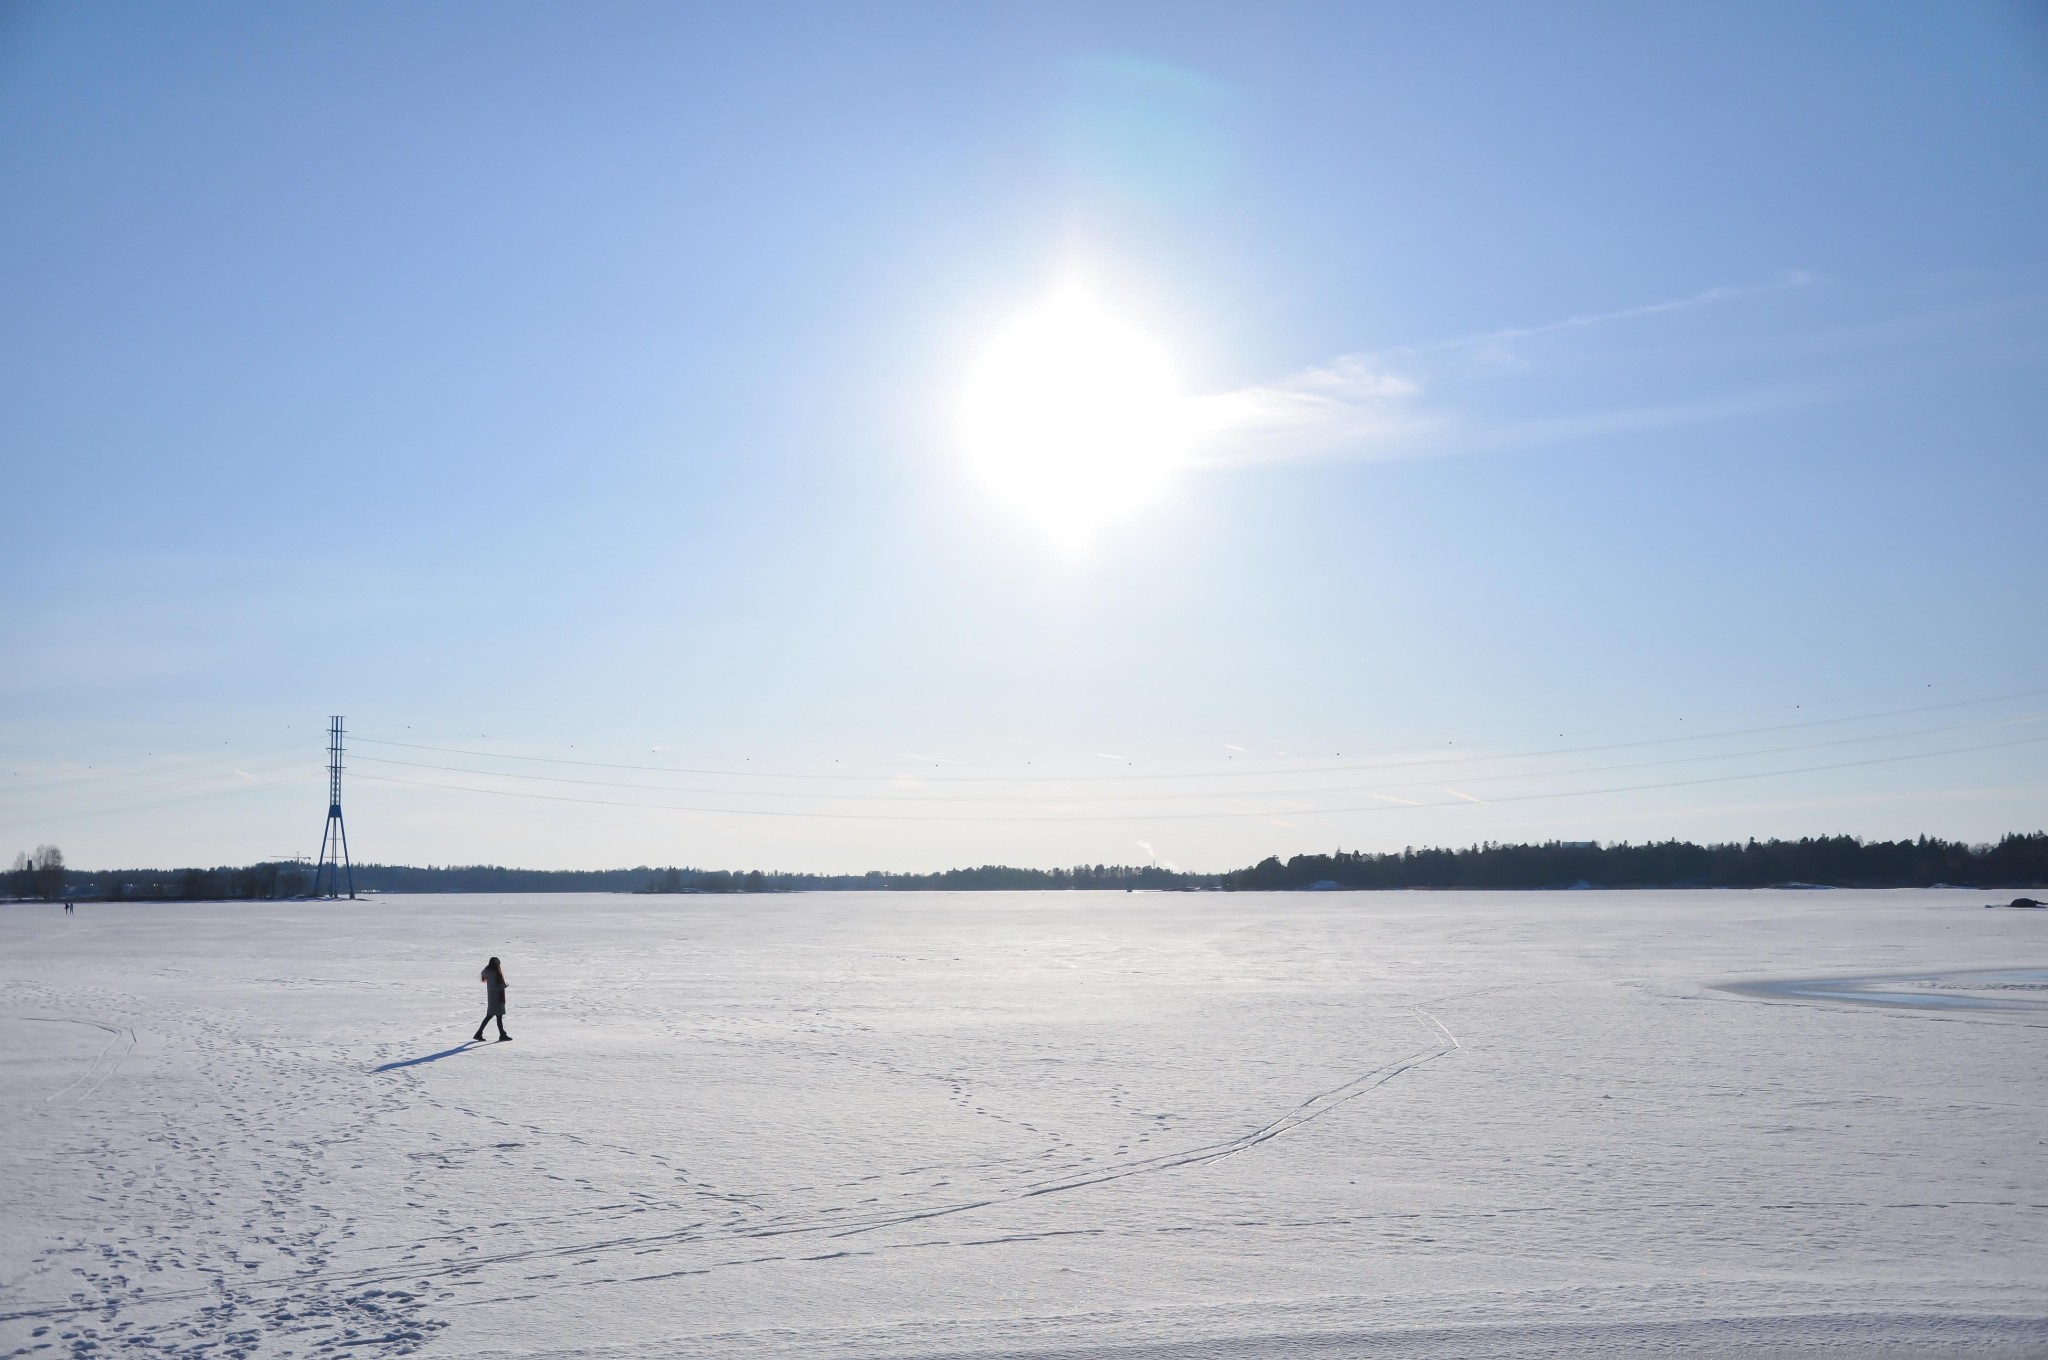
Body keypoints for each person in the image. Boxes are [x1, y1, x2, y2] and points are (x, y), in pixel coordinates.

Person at [473, 957, 511, 1043]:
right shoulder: (494, 973)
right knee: (495, 1016)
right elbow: (494, 987)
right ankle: (501, 1035)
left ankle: (500, 1034)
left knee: (493, 1016)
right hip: (496, 997)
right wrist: (503, 986)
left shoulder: (488, 972)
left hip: (492, 997)